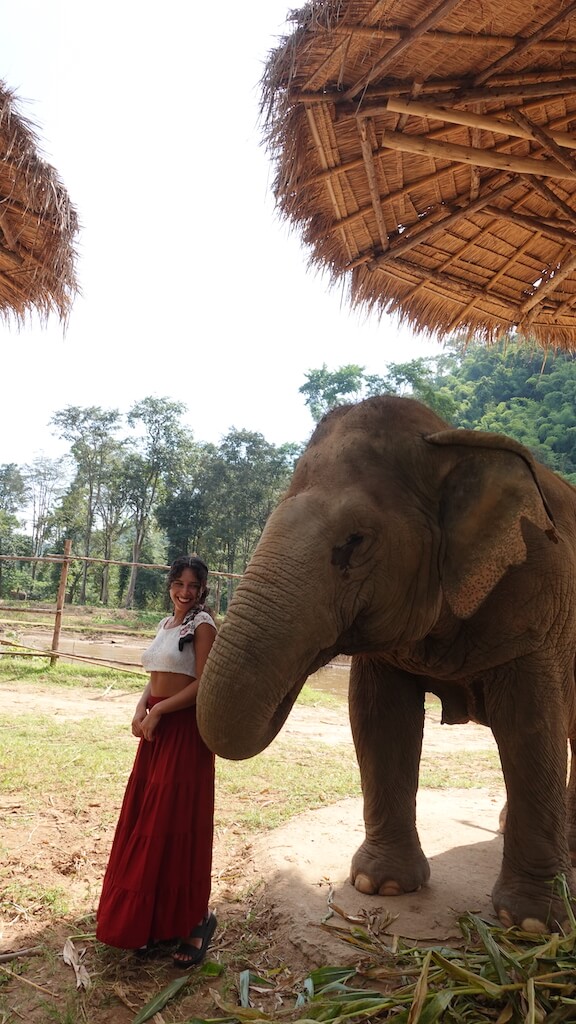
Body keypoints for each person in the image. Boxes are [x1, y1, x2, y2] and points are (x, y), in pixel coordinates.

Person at [96, 555, 218, 969]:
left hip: (184, 732)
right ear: (170, 585)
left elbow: (203, 684)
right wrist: (141, 709)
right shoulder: (165, 626)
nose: (185, 592)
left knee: (176, 823)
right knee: (150, 824)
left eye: (193, 586)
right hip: (156, 731)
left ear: (203, 590)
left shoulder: (203, 627)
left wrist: (161, 712)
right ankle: (157, 922)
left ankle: (195, 922)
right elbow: (154, 678)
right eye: (179, 583)